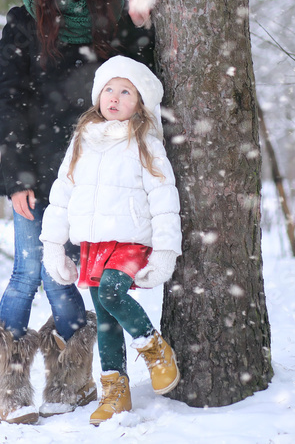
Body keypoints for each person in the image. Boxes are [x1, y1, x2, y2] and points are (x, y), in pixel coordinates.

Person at [0, 0, 154, 425]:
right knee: (31, 270)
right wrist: (18, 176)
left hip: (93, 172)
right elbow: (9, 99)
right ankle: (7, 393)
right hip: (37, 169)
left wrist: (140, 28)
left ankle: (70, 384)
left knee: (75, 273)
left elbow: (135, 79)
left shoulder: (110, 19)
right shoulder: (24, 21)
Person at [40, 55, 181, 425]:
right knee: (104, 319)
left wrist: (165, 251)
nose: (114, 97)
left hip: (131, 239)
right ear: (97, 95)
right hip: (93, 244)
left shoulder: (145, 141)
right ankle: (115, 391)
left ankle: (154, 349)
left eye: (125, 91)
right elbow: (62, 193)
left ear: (140, 103)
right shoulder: (82, 140)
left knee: (111, 295)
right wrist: (53, 246)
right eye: (108, 89)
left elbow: (165, 198)